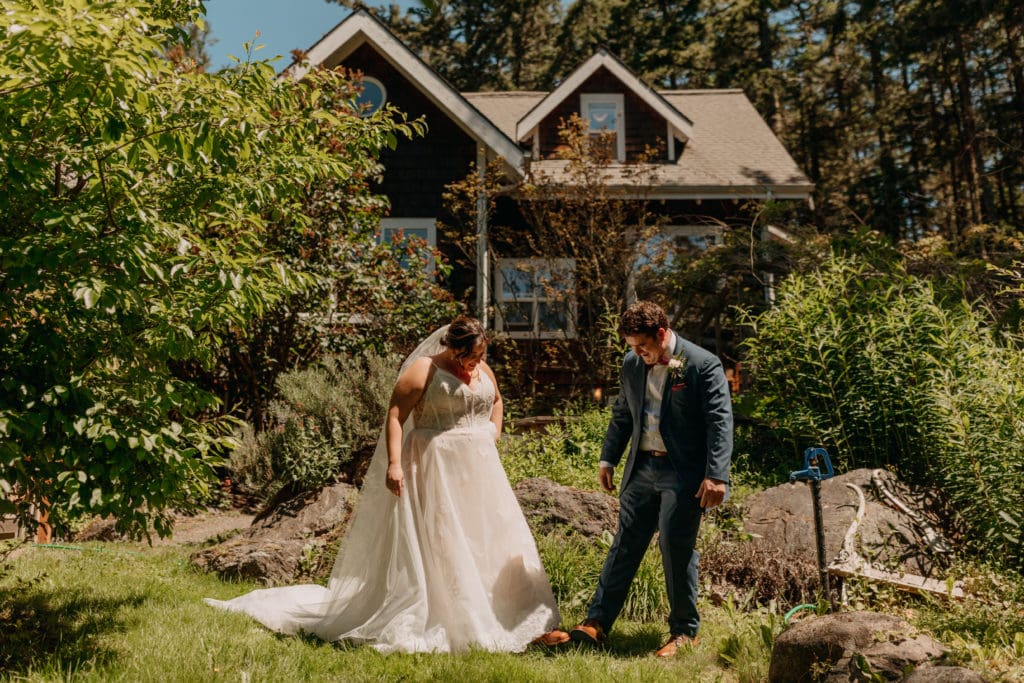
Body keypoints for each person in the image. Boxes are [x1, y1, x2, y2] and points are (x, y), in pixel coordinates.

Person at [206, 315, 565, 653]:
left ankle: (515, 614)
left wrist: (491, 434)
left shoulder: (483, 368)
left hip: (481, 471)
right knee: (445, 539)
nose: (474, 363)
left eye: (479, 355)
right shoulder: (424, 371)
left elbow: (497, 401)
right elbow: (396, 416)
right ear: (452, 347)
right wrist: (395, 464)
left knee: (490, 537)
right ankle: (457, 615)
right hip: (434, 467)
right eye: (468, 356)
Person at [568, 301, 733, 658]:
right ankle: (596, 623)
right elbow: (623, 413)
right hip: (641, 468)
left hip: (683, 472)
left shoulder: (702, 364)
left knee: (675, 548)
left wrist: (717, 475)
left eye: (642, 346)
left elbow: (720, 422)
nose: (637, 353)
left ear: (662, 334)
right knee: (625, 544)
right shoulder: (632, 364)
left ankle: (684, 633)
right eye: (632, 346)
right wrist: (607, 457)